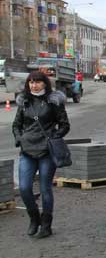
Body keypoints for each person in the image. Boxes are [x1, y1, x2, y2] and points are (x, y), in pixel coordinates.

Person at [12, 71, 70, 238]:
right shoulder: (24, 101)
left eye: (37, 82)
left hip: (46, 151)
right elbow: (16, 125)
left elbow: (65, 125)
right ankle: (34, 218)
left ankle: (46, 224)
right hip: (27, 151)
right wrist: (19, 139)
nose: (33, 85)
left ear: (45, 83)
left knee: (45, 189)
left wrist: (54, 137)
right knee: (24, 188)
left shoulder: (54, 101)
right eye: (31, 82)